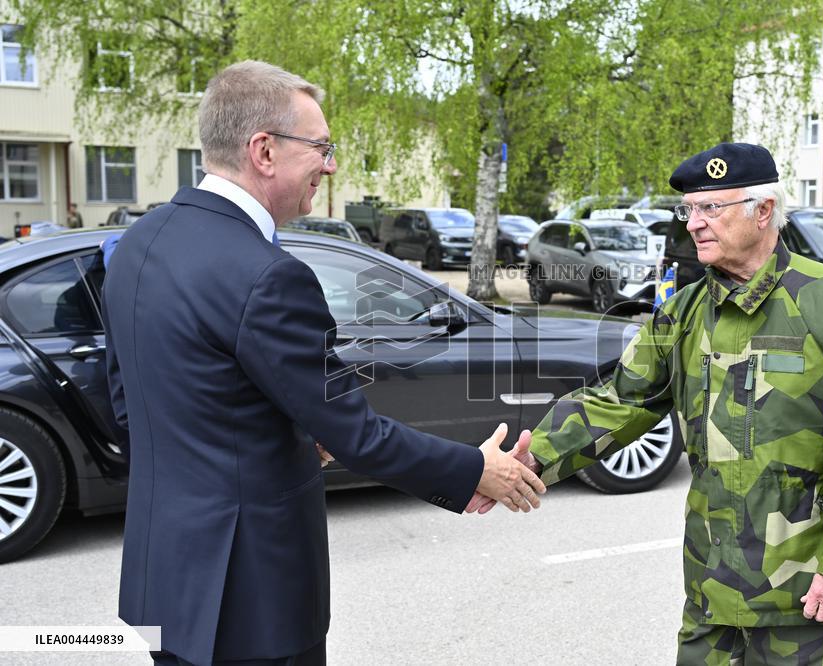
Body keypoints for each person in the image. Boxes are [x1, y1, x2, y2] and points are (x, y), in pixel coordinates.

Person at [102, 60, 545, 666]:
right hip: (252, 603)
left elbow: (137, 407)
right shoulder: (268, 275)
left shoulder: (138, 242)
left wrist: (276, 439)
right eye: (321, 147)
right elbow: (357, 435)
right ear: (264, 150)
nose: (331, 165)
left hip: (164, 584)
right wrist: (476, 470)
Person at [478, 143, 823, 663]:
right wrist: (530, 459)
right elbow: (620, 400)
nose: (695, 223)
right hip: (710, 582)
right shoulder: (682, 312)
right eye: (690, 210)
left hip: (803, 589)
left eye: (711, 208)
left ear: (763, 210)